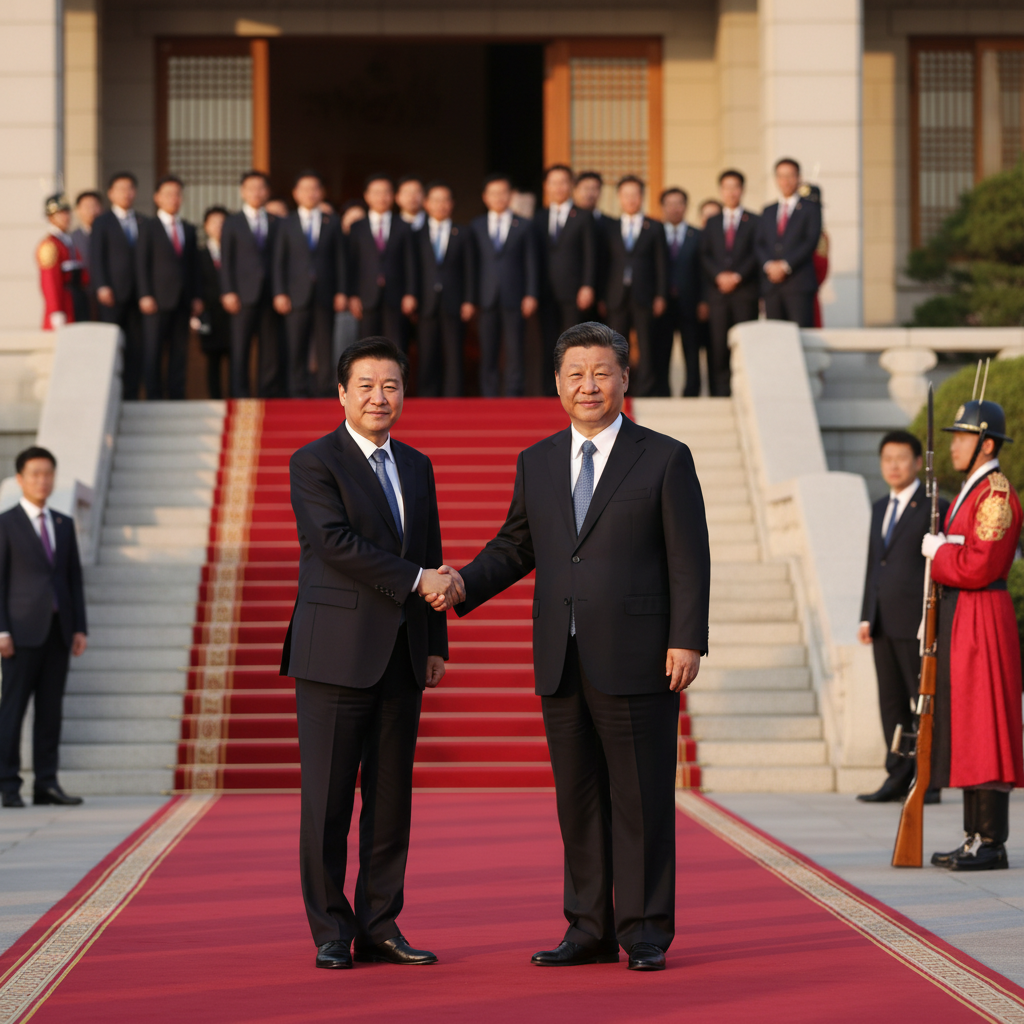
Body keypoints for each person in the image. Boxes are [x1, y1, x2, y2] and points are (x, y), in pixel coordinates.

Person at [433, 321, 710, 971]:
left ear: (624, 378)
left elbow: (688, 558)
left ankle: (643, 931)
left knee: (640, 799)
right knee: (578, 798)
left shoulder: (665, 456)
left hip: (642, 654)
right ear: (557, 384)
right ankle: (587, 925)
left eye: (601, 372)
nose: (589, 385)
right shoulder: (537, 461)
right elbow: (517, 546)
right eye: (575, 374)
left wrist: (687, 638)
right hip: (562, 655)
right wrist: (463, 583)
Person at [281, 337, 454, 969]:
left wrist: (435, 641)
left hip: (403, 655)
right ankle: (330, 928)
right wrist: (415, 582)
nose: (379, 397)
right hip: (334, 654)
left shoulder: (417, 465)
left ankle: (380, 923)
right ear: (342, 393)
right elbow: (334, 542)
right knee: (327, 799)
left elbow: (429, 548)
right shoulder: (314, 461)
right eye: (366, 386)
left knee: (390, 800)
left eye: (391, 387)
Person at [923, 398, 1024, 871]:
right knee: (966, 722)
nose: (955, 444)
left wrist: (941, 555)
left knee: (984, 723)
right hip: (965, 611)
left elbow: (983, 564)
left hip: (982, 610)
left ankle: (992, 841)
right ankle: (973, 835)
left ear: (986, 443)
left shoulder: (996, 493)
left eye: (962, 436)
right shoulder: (974, 488)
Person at [858, 430, 947, 804]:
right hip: (881, 623)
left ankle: (929, 777)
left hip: (916, 622)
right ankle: (896, 775)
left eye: (901, 458)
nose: (893, 465)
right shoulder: (879, 506)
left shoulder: (933, 506)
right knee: (890, 703)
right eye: (887, 459)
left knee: (923, 700)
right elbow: (873, 566)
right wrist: (866, 616)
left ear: (916, 462)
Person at [0, 447, 88, 808]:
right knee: (13, 710)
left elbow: (73, 579)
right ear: (20, 478)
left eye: (48, 473)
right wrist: (1, 630)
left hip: (58, 631)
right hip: (19, 635)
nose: (42, 480)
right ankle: (7, 784)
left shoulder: (64, 523)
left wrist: (79, 626)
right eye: (35, 473)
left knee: (50, 712)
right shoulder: (5, 523)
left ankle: (46, 783)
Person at [273, 171, 348, 398]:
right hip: (295, 294)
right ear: (296, 194)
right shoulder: (286, 223)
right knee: (296, 345)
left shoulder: (332, 221)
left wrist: (342, 291)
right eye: (304, 189)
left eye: (315, 188)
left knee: (326, 345)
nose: (310, 193)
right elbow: (279, 260)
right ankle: (297, 390)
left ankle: (325, 390)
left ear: (322, 193)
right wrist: (280, 292)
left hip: (325, 292)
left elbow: (340, 260)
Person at [469, 174, 539, 397]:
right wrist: (471, 298)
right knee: (488, 350)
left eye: (503, 193)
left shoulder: (524, 225)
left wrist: (531, 294)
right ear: (485, 197)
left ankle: (513, 394)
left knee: (515, 349)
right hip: (486, 296)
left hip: (515, 296)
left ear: (511, 196)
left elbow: (531, 262)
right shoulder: (476, 225)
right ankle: (488, 394)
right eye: (493, 193)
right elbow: (472, 265)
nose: (499, 197)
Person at [135, 175, 202, 401]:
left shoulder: (189, 229)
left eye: (177, 194)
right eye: (168, 194)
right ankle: (153, 395)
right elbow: (141, 263)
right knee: (153, 350)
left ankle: (176, 394)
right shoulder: (147, 227)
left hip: (183, 300)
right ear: (157, 198)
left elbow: (193, 267)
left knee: (179, 351)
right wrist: (145, 294)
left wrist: (195, 296)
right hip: (155, 299)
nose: (173, 199)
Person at [601, 176, 666, 398]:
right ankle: (617, 389)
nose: (631, 199)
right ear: (619, 198)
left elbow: (661, 264)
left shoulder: (655, 227)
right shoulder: (609, 227)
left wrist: (660, 295)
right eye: (626, 195)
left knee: (646, 344)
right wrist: (602, 295)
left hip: (644, 294)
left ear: (642, 198)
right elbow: (603, 263)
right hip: (616, 295)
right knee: (615, 346)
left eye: (635, 195)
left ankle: (646, 389)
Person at [220, 170, 283, 398]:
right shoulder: (232, 222)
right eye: (251, 188)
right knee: (240, 347)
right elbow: (226, 260)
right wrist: (228, 291)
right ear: (242, 192)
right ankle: (240, 393)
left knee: (270, 348)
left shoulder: (277, 222)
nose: (256, 192)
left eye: (261, 188)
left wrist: (281, 291)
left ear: (267, 192)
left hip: (271, 294)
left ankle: (268, 392)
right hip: (241, 294)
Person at [534, 164, 595, 397]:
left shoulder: (582, 216)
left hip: (574, 290)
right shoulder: (538, 218)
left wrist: (587, 285)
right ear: (546, 187)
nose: (558, 187)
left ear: (570, 186)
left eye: (563, 182)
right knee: (548, 342)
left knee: (574, 343)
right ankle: (550, 390)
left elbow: (590, 255)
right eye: (553, 182)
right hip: (545, 291)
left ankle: (575, 389)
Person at [699, 170, 760, 397]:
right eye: (727, 187)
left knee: (745, 344)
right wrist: (719, 276)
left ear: (742, 190)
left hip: (745, 293)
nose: (731, 192)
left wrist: (737, 276)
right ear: (721, 191)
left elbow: (757, 253)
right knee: (718, 345)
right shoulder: (712, 222)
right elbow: (704, 255)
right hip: (718, 295)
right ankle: (720, 392)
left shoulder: (755, 221)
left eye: (735, 187)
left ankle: (745, 391)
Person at [90, 171, 146, 399]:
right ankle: (109, 393)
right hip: (111, 293)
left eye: (130, 188)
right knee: (111, 345)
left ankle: (131, 393)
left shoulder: (143, 221)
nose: (126, 193)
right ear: (111, 193)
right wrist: (102, 285)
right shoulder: (102, 222)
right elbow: (96, 257)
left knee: (136, 346)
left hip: (138, 294)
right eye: (121, 189)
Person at [416, 181, 475, 397]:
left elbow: (470, 269)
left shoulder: (463, 233)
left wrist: (469, 300)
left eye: (445, 200)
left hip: (454, 302)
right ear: (427, 203)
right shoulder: (417, 234)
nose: (441, 204)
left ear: (451, 204)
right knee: (427, 353)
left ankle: (454, 397)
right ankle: (427, 397)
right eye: (436, 200)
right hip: (426, 302)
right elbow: (414, 270)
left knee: (454, 353)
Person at [347, 175, 418, 349]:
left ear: (393, 196)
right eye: (376, 192)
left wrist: (410, 293)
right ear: (367, 196)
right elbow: (351, 264)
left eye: (386, 192)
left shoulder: (404, 226)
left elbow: (411, 263)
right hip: (366, 295)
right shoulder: (357, 227)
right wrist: (353, 295)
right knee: (366, 347)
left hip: (397, 295)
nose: (382, 197)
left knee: (396, 346)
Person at [755, 158, 822, 328]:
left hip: (798, 284)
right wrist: (769, 265)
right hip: (771, 286)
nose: (786, 181)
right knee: (776, 339)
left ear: (798, 178)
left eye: (790, 175)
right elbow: (759, 243)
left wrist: (785, 266)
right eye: (781, 176)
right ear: (776, 179)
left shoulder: (811, 208)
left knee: (801, 337)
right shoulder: (768, 211)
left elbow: (810, 241)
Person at [655, 187, 704, 397]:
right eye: (670, 204)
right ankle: (661, 391)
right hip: (662, 303)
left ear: (686, 206)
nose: (675, 208)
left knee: (691, 350)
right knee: (661, 350)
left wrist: (704, 301)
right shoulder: (654, 234)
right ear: (663, 207)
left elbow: (704, 271)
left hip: (690, 302)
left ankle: (691, 392)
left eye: (679, 203)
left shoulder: (698, 236)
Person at [197, 206, 232, 399]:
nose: (219, 227)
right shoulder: (199, 253)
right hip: (210, 312)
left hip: (233, 313)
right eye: (214, 223)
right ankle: (215, 397)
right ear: (206, 226)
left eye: (223, 223)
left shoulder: (236, 252)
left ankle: (236, 396)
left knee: (236, 358)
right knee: (213, 358)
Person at [36, 194, 85, 331]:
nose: (66, 217)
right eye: (60, 214)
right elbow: (49, 281)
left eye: (67, 213)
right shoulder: (50, 245)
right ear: (50, 217)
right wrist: (55, 310)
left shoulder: (68, 241)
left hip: (76, 300)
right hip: (64, 303)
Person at [573, 171, 606, 323]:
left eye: (594, 188)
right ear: (575, 190)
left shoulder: (610, 224)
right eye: (585, 188)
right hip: (571, 295)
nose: (590, 193)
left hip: (604, 297)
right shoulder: (565, 222)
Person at [71, 191, 102, 321]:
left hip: (105, 295)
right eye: (86, 206)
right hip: (82, 294)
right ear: (78, 210)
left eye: (94, 206)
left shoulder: (108, 236)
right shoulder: (71, 238)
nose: (91, 211)